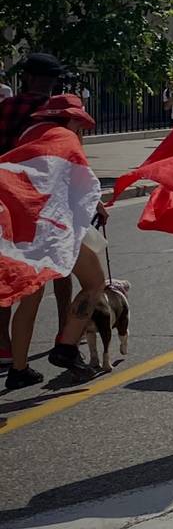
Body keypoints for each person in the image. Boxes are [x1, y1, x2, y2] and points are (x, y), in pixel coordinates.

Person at [4, 94, 107, 388]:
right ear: (72, 118)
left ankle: (19, 370)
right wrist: (96, 205)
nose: (81, 130)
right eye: (80, 124)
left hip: (26, 224)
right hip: (53, 226)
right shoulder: (66, 138)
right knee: (94, 282)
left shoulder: (29, 134)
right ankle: (66, 346)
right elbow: (78, 182)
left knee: (30, 298)